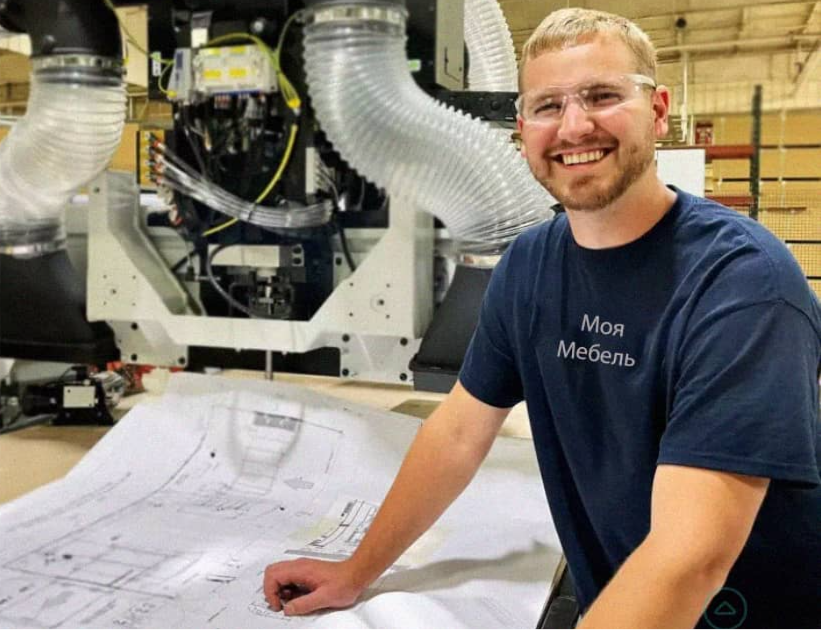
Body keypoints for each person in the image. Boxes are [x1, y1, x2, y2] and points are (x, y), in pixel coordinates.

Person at [264, 8, 821, 630]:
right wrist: (356, 570)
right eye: (548, 105)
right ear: (522, 129)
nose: (574, 126)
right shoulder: (529, 266)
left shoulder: (743, 284)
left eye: (602, 96)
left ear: (658, 110)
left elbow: (688, 558)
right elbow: (458, 434)